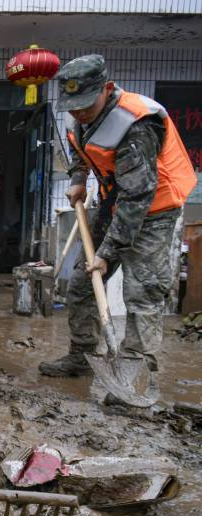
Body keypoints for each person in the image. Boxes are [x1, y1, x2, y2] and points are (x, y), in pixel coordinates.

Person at [38, 55, 196, 387]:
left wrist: (107, 253)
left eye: (85, 105)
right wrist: (78, 179)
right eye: (73, 106)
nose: (79, 112)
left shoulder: (137, 123)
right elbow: (81, 152)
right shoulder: (76, 117)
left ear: (106, 89)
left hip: (154, 209)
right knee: (83, 281)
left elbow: (137, 198)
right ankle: (81, 355)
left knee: (142, 293)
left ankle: (132, 377)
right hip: (114, 202)